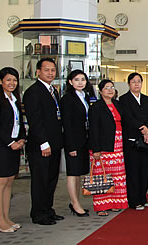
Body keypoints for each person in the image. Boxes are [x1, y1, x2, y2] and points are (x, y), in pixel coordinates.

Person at [23, 58, 64, 225]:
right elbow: (35, 121)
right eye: (46, 70)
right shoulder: (33, 92)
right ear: (38, 72)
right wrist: (44, 143)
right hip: (41, 145)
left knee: (51, 179)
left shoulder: (53, 90)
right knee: (40, 180)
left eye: (53, 70)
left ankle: (48, 209)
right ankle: (39, 214)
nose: (50, 73)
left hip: (54, 143)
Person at [0, 67, 26, 232]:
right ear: (0, 81)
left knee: (9, 182)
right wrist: (10, 142)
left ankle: (6, 218)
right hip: (0, 146)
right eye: (8, 80)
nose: (12, 83)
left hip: (14, 145)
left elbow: (19, 122)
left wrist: (22, 138)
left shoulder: (15, 99)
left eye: (14, 80)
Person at [88, 79, 128, 216]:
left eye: (112, 87)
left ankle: (115, 203)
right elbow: (93, 129)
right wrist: (96, 149)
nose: (110, 90)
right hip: (103, 146)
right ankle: (102, 206)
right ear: (100, 91)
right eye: (106, 88)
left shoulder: (118, 104)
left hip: (118, 145)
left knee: (117, 176)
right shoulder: (96, 107)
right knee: (102, 176)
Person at [119, 72, 148, 210]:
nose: (136, 84)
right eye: (133, 82)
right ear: (129, 84)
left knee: (144, 170)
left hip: (145, 141)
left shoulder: (146, 99)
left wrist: (147, 127)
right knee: (133, 170)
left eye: (139, 81)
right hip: (132, 140)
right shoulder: (124, 99)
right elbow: (128, 118)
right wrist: (142, 128)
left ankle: (142, 197)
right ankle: (134, 200)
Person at [60, 70, 92, 217]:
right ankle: (75, 203)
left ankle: (76, 202)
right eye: (77, 79)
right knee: (73, 173)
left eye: (83, 79)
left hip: (83, 139)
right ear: (70, 82)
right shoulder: (67, 99)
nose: (80, 82)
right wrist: (70, 146)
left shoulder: (84, 96)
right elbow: (67, 124)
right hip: (73, 141)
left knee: (79, 172)